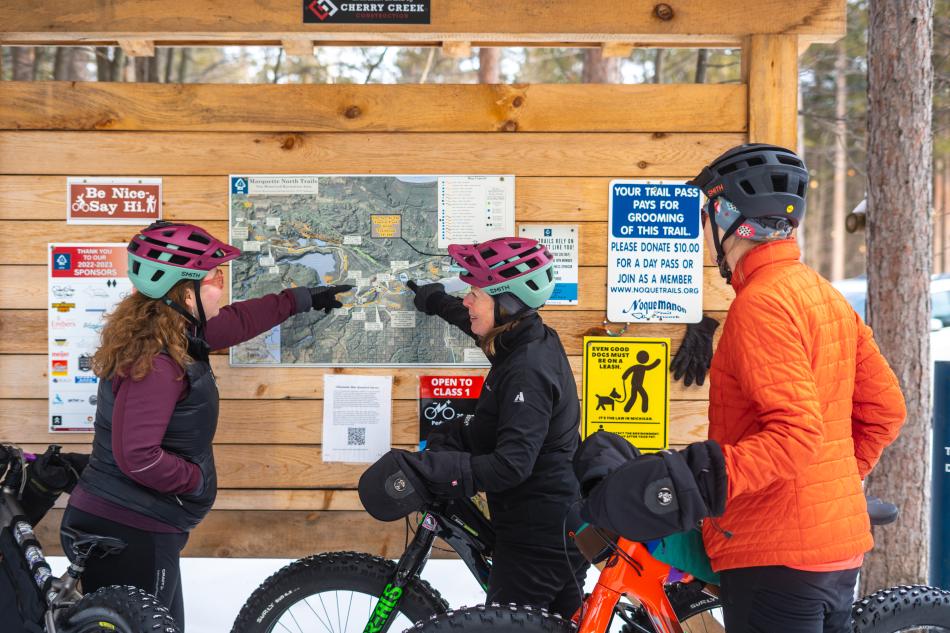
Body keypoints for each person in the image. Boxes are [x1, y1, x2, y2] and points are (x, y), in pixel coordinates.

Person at [60, 221, 351, 628]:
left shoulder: (174, 332)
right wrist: (193, 481)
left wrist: (301, 298)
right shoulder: (157, 363)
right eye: (214, 276)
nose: (221, 282)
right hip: (130, 530)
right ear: (183, 291)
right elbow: (139, 458)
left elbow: (237, 321)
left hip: (137, 521)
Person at [685, 144, 907, 632]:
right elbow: (887, 409)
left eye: (705, 218)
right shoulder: (820, 292)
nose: (703, 233)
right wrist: (832, 485)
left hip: (775, 556)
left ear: (727, 217)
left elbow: (795, 435)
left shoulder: (760, 304)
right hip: (834, 552)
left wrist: (706, 476)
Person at [407, 237, 587, 617]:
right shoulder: (522, 337)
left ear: (507, 303)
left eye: (475, 293)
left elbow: (512, 465)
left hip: (538, 540)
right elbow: (476, 326)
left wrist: (441, 470)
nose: (467, 301)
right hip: (551, 525)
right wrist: (437, 302)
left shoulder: (527, 370)